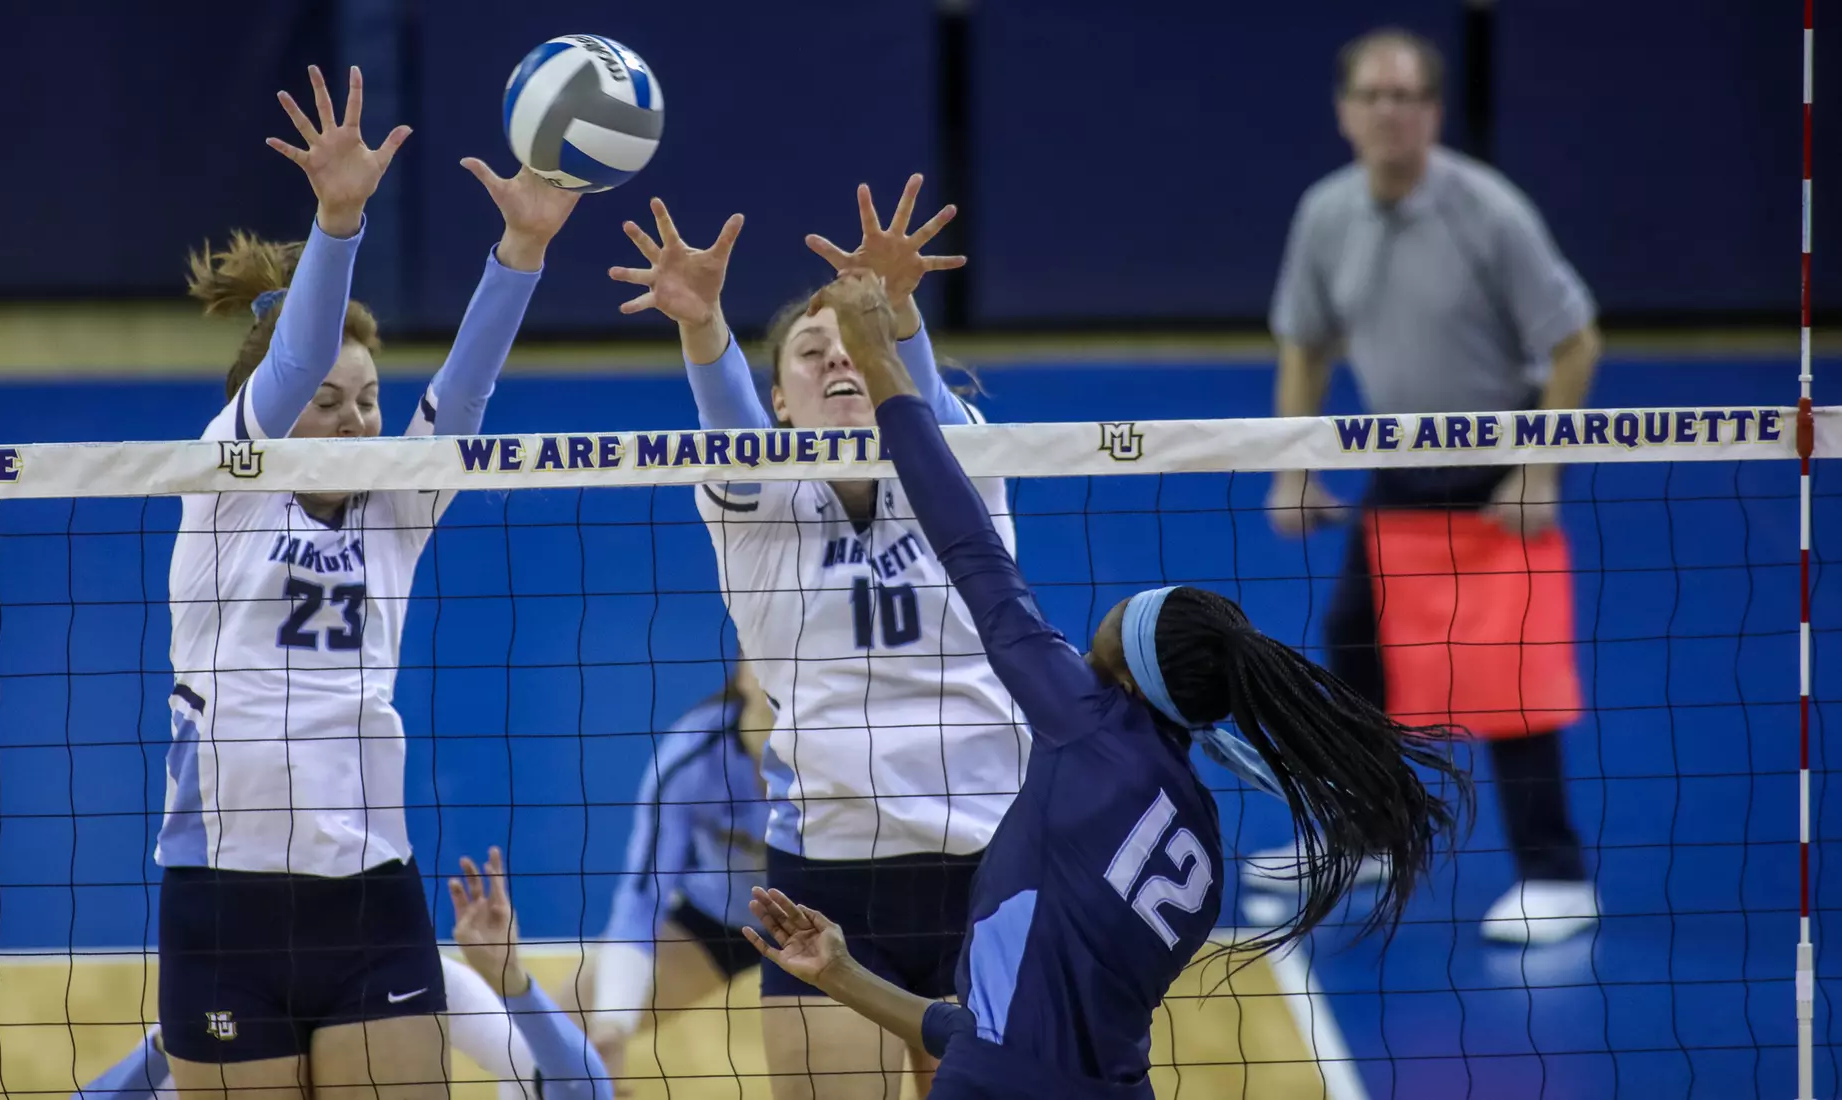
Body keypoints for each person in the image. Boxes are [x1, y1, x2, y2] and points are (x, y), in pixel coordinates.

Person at [738, 272, 1470, 1099]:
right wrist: (846, 978)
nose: (1107, 609)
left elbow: (969, 543)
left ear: (1130, 668)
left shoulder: (1079, 722)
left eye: (1128, 612)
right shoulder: (1194, 835)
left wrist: (887, 356)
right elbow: (1006, 1033)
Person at [156, 64, 581, 1098]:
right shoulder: (229, 487)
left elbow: (463, 399)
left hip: (371, 902)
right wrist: (338, 221)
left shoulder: (396, 512)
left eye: (368, 402)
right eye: (329, 402)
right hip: (226, 903)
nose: (353, 421)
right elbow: (294, 360)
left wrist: (520, 248)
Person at [607, 176, 1026, 1099]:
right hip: (830, 883)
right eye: (811, 352)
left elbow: (925, 406)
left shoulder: (965, 469)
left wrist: (899, 313)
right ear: (779, 406)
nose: (838, 361)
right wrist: (700, 327)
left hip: (998, 867)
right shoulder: (751, 507)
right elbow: (728, 429)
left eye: (853, 349)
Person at [1258, 27, 1605, 944]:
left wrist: (1540, 468)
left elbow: (1576, 343)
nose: (1389, 112)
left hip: (1498, 472)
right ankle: (1370, 839)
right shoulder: (1326, 213)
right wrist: (1294, 464)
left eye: (1406, 96)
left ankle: (1558, 876)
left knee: (1510, 675)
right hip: (1399, 475)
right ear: (1344, 112)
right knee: (1353, 643)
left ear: (1433, 112)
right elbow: (1306, 340)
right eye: (1372, 95)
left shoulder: (1490, 212)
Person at [75, 850, 612, 1100]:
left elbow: (587, 1092)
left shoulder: (421, 987)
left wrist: (512, 984)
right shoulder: (225, 1009)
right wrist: (175, 1036)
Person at [558, 665, 774, 1083]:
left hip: (830, 925)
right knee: (556, 1037)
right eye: (765, 658)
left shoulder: (844, 753)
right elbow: (642, 895)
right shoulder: (693, 754)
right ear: (743, 673)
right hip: (721, 919)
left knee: (909, 1047)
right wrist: (612, 1025)